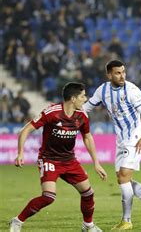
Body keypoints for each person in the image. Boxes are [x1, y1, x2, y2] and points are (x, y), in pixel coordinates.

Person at [83, 60, 141, 230]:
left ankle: (127, 220)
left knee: (123, 176)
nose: (122, 75)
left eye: (123, 72)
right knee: (123, 179)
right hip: (121, 139)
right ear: (109, 74)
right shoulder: (103, 91)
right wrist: (69, 112)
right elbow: (86, 108)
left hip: (135, 137)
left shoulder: (132, 90)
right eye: (118, 73)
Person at [9, 82, 107, 232]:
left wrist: (96, 163)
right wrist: (20, 152)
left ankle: (88, 225)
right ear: (73, 98)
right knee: (48, 196)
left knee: (88, 193)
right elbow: (26, 130)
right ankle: (17, 221)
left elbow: (87, 137)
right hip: (49, 159)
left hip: (69, 160)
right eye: (83, 96)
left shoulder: (82, 115)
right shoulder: (51, 113)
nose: (85, 99)